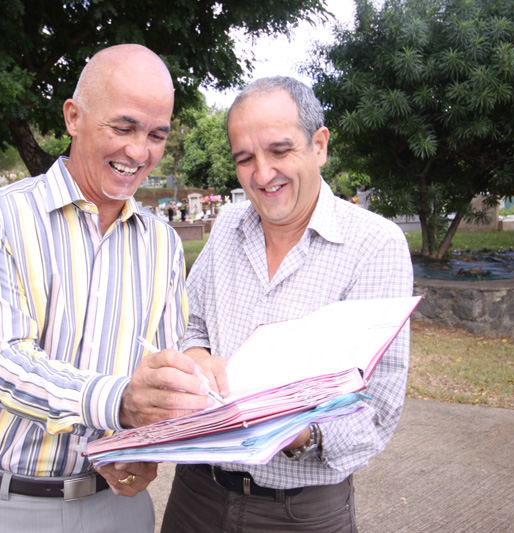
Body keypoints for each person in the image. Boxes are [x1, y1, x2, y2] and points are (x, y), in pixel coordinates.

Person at [0, 44, 215, 533]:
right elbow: (2, 361)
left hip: (119, 505)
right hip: (5, 504)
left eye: (156, 134)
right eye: (124, 126)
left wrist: (146, 443)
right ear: (73, 116)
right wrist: (119, 404)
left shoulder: (163, 244)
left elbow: (160, 373)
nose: (139, 151)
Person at [161, 77, 414, 532]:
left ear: (318, 145)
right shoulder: (227, 228)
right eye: (245, 158)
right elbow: (190, 322)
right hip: (196, 493)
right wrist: (197, 356)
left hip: (299, 512)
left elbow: (378, 405)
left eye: (279, 151)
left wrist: (299, 432)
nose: (262, 174)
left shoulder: (374, 245)